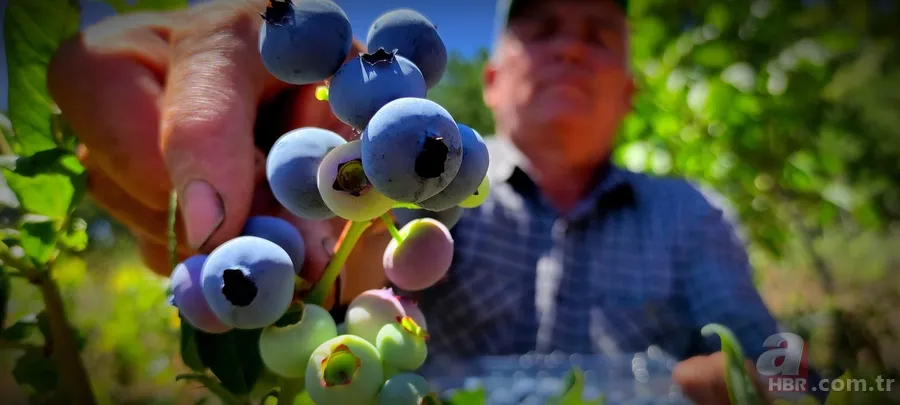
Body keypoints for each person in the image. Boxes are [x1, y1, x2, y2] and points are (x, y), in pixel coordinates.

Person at [46, 0, 796, 403]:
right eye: (542, 28)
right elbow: (359, 298)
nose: (570, 47)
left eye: (600, 34)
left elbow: (785, 372)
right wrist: (282, 200)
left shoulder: (693, 214)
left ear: (630, 95)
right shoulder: (414, 202)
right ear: (493, 78)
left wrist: (744, 379)